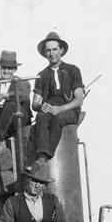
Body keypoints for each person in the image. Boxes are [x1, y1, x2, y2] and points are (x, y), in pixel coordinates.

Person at [31, 32, 84, 164]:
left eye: (55, 49)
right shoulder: (41, 75)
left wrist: (61, 109)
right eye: (48, 50)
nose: (52, 53)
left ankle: (49, 156)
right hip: (49, 107)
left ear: (61, 50)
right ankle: (41, 158)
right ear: (45, 53)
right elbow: (35, 104)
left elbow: (79, 100)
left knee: (58, 119)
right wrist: (40, 106)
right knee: (41, 117)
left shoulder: (73, 70)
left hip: (69, 109)